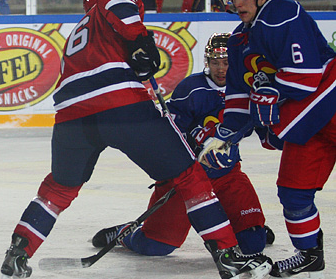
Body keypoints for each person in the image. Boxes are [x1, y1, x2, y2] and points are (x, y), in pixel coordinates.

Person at [0, 0, 271, 279]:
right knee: (190, 177)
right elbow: (122, 11)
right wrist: (142, 41)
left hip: (72, 117)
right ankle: (228, 259)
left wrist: (137, 60)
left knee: (58, 189)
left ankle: (17, 254)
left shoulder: (81, 31)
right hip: (120, 106)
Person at [200, 0, 336, 279]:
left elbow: (306, 78)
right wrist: (223, 134)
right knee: (293, 191)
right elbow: (237, 98)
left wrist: (270, 94)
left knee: (281, 144)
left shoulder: (281, 13)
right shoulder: (236, 41)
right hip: (309, 127)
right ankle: (310, 257)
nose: (238, 2)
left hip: (327, 104)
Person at [91, 33, 275, 257]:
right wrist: (197, 141)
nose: (220, 69)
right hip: (187, 176)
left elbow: (267, 134)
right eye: (215, 62)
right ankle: (127, 232)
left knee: (253, 244)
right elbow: (171, 133)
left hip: (227, 174)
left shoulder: (245, 89)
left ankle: (247, 227)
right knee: (154, 247)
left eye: (226, 62)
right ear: (207, 62)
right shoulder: (191, 88)